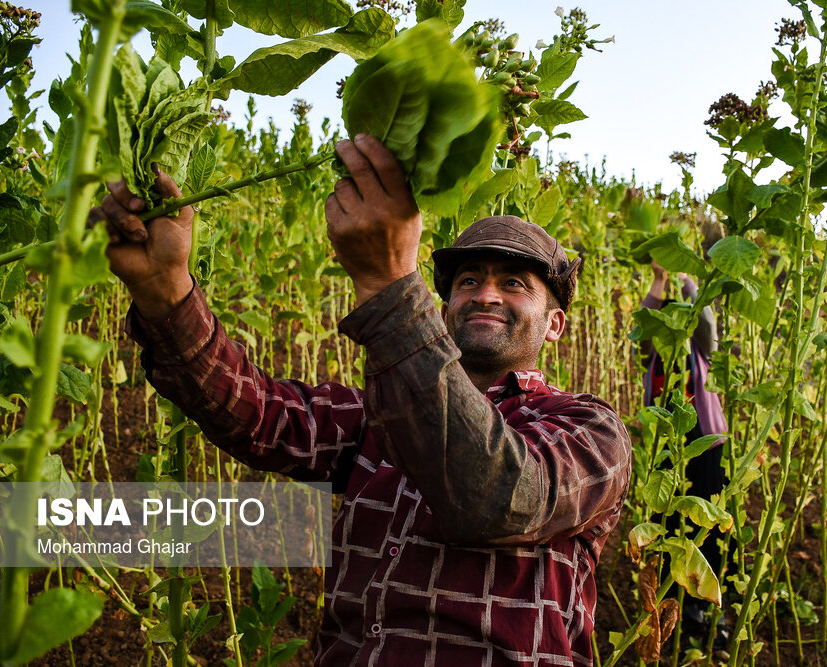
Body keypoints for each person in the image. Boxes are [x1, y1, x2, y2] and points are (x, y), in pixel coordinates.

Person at [90, 134, 632, 666]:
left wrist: (391, 287)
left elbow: (500, 498)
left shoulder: (589, 431)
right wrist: (165, 288)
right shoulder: (378, 415)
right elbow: (255, 411)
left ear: (555, 324)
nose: (484, 294)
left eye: (514, 283)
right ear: (444, 308)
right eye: (467, 280)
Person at [642, 260, 730, 649]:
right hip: (666, 439)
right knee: (667, 516)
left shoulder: (701, 350)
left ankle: (705, 603)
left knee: (706, 521)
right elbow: (645, 323)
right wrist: (660, 281)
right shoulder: (653, 354)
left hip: (704, 438)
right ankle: (667, 596)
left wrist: (689, 279)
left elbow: (708, 322)